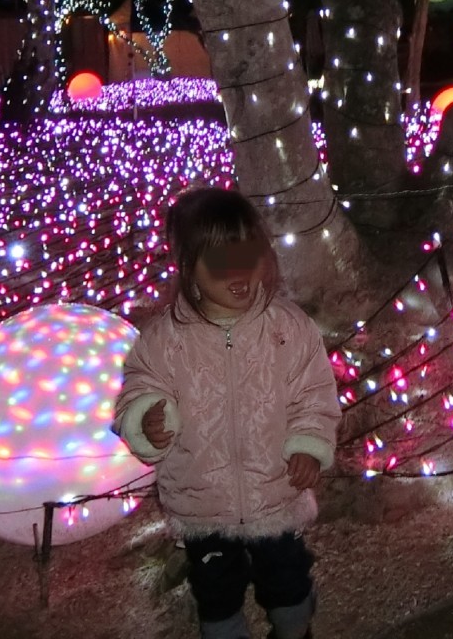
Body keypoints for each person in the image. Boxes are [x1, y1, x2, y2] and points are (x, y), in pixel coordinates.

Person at [114, 188, 341, 639]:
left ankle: (295, 628)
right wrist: (144, 418)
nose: (238, 271)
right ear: (189, 269)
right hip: (202, 501)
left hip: (275, 492)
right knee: (215, 590)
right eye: (219, 261)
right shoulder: (164, 340)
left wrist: (309, 445)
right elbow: (138, 386)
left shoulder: (288, 329)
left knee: (288, 578)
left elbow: (314, 392)